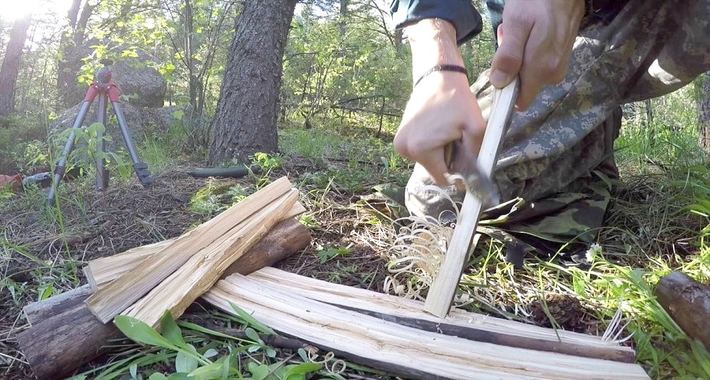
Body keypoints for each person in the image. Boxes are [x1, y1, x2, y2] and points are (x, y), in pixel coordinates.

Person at [389, 0, 710, 264]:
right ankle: (588, 136)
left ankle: (582, 133)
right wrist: (437, 64)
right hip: (541, 51)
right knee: (437, 192)